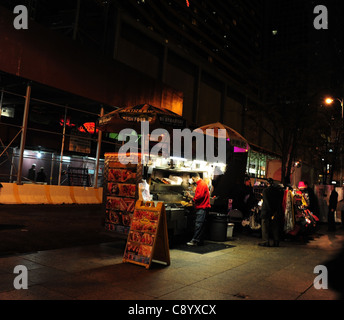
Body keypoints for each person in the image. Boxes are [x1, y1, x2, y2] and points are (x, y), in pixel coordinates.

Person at [186, 172, 211, 246]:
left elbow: (199, 196)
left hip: (202, 208)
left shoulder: (201, 184)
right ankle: (199, 240)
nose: (193, 181)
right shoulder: (202, 184)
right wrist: (191, 196)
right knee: (200, 224)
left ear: (196, 177)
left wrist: (192, 200)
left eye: (193, 179)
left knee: (198, 224)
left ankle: (195, 240)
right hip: (203, 207)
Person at [258, 178, 283, 247]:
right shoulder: (277, 191)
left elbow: (266, 201)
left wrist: (270, 210)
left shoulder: (265, 191)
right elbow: (279, 202)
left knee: (265, 227)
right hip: (275, 211)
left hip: (266, 211)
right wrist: (274, 211)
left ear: (267, 183)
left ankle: (265, 241)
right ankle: (276, 241)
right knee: (275, 227)